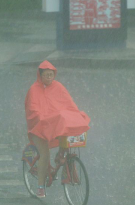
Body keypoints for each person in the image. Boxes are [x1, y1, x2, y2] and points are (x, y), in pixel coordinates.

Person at [25, 60, 91, 198]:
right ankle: (40, 186)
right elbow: (32, 110)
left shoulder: (58, 87)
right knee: (44, 154)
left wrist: (76, 114)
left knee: (66, 134)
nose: (49, 77)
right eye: (46, 75)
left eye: (51, 75)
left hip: (55, 124)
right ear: (40, 75)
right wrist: (42, 119)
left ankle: (61, 156)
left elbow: (69, 104)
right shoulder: (33, 90)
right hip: (39, 127)